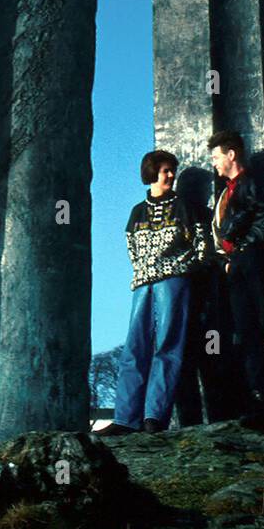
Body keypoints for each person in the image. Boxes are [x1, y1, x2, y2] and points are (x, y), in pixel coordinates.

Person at [98, 150, 207, 437]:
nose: (171, 175)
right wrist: (144, 270)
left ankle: (154, 416)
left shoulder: (185, 206)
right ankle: (125, 418)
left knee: (168, 346)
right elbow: (130, 245)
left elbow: (201, 245)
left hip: (174, 280)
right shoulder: (137, 211)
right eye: (165, 170)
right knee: (135, 347)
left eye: (173, 170)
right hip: (142, 283)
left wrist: (181, 266)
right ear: (151, 173)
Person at [208, 131, 264, 428]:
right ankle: (261, 399)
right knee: (247, 332)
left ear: (231, 154)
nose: (214, 164)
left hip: (254, 262)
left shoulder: (253, 182)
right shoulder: (227, 191)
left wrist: (247, 247)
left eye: (216, 157)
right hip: (240, 265)